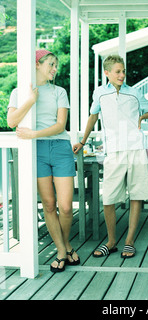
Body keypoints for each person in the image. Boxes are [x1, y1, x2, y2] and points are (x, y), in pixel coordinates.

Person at [73, 55, 148, 259]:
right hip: (113, 150)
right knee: (109, 197)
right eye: (117, 71)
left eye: (123, 71)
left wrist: (142, 117)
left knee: (137, 195)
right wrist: (83, 141)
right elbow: (93, 116)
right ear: (107, 73)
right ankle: (111, 241)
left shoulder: (135, 93)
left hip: (136, 148)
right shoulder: (100, 94)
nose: (122, 75)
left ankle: (129, 241)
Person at [7, 49, 80, 273]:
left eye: (55, 65)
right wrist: (30, 100)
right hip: (36, 152)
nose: (54, 69)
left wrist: (34, 134)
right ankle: (62, 250)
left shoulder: (60, 91)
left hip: (59, 147)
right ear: (37, 64)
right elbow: (11, 121)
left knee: (66, 207)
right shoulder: (19, 92)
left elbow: (60, 125)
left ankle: (65, 244)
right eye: (50, 64)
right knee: (49, 205)